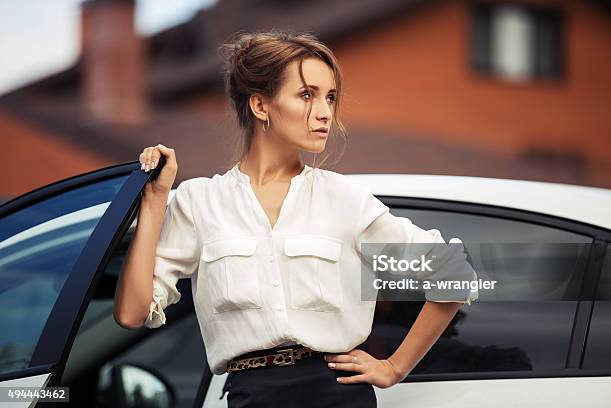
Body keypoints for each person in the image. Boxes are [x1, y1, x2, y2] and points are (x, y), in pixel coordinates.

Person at [113, 29, 478, 408]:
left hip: (337, 393)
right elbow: (132, 313)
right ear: (260, 105)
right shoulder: (200, 202)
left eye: (330, 97)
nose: (325, 111)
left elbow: (452, 273)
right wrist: (155, 200)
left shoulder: (343, 199)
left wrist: (395, 368)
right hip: (251, 396)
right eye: (307, 95)